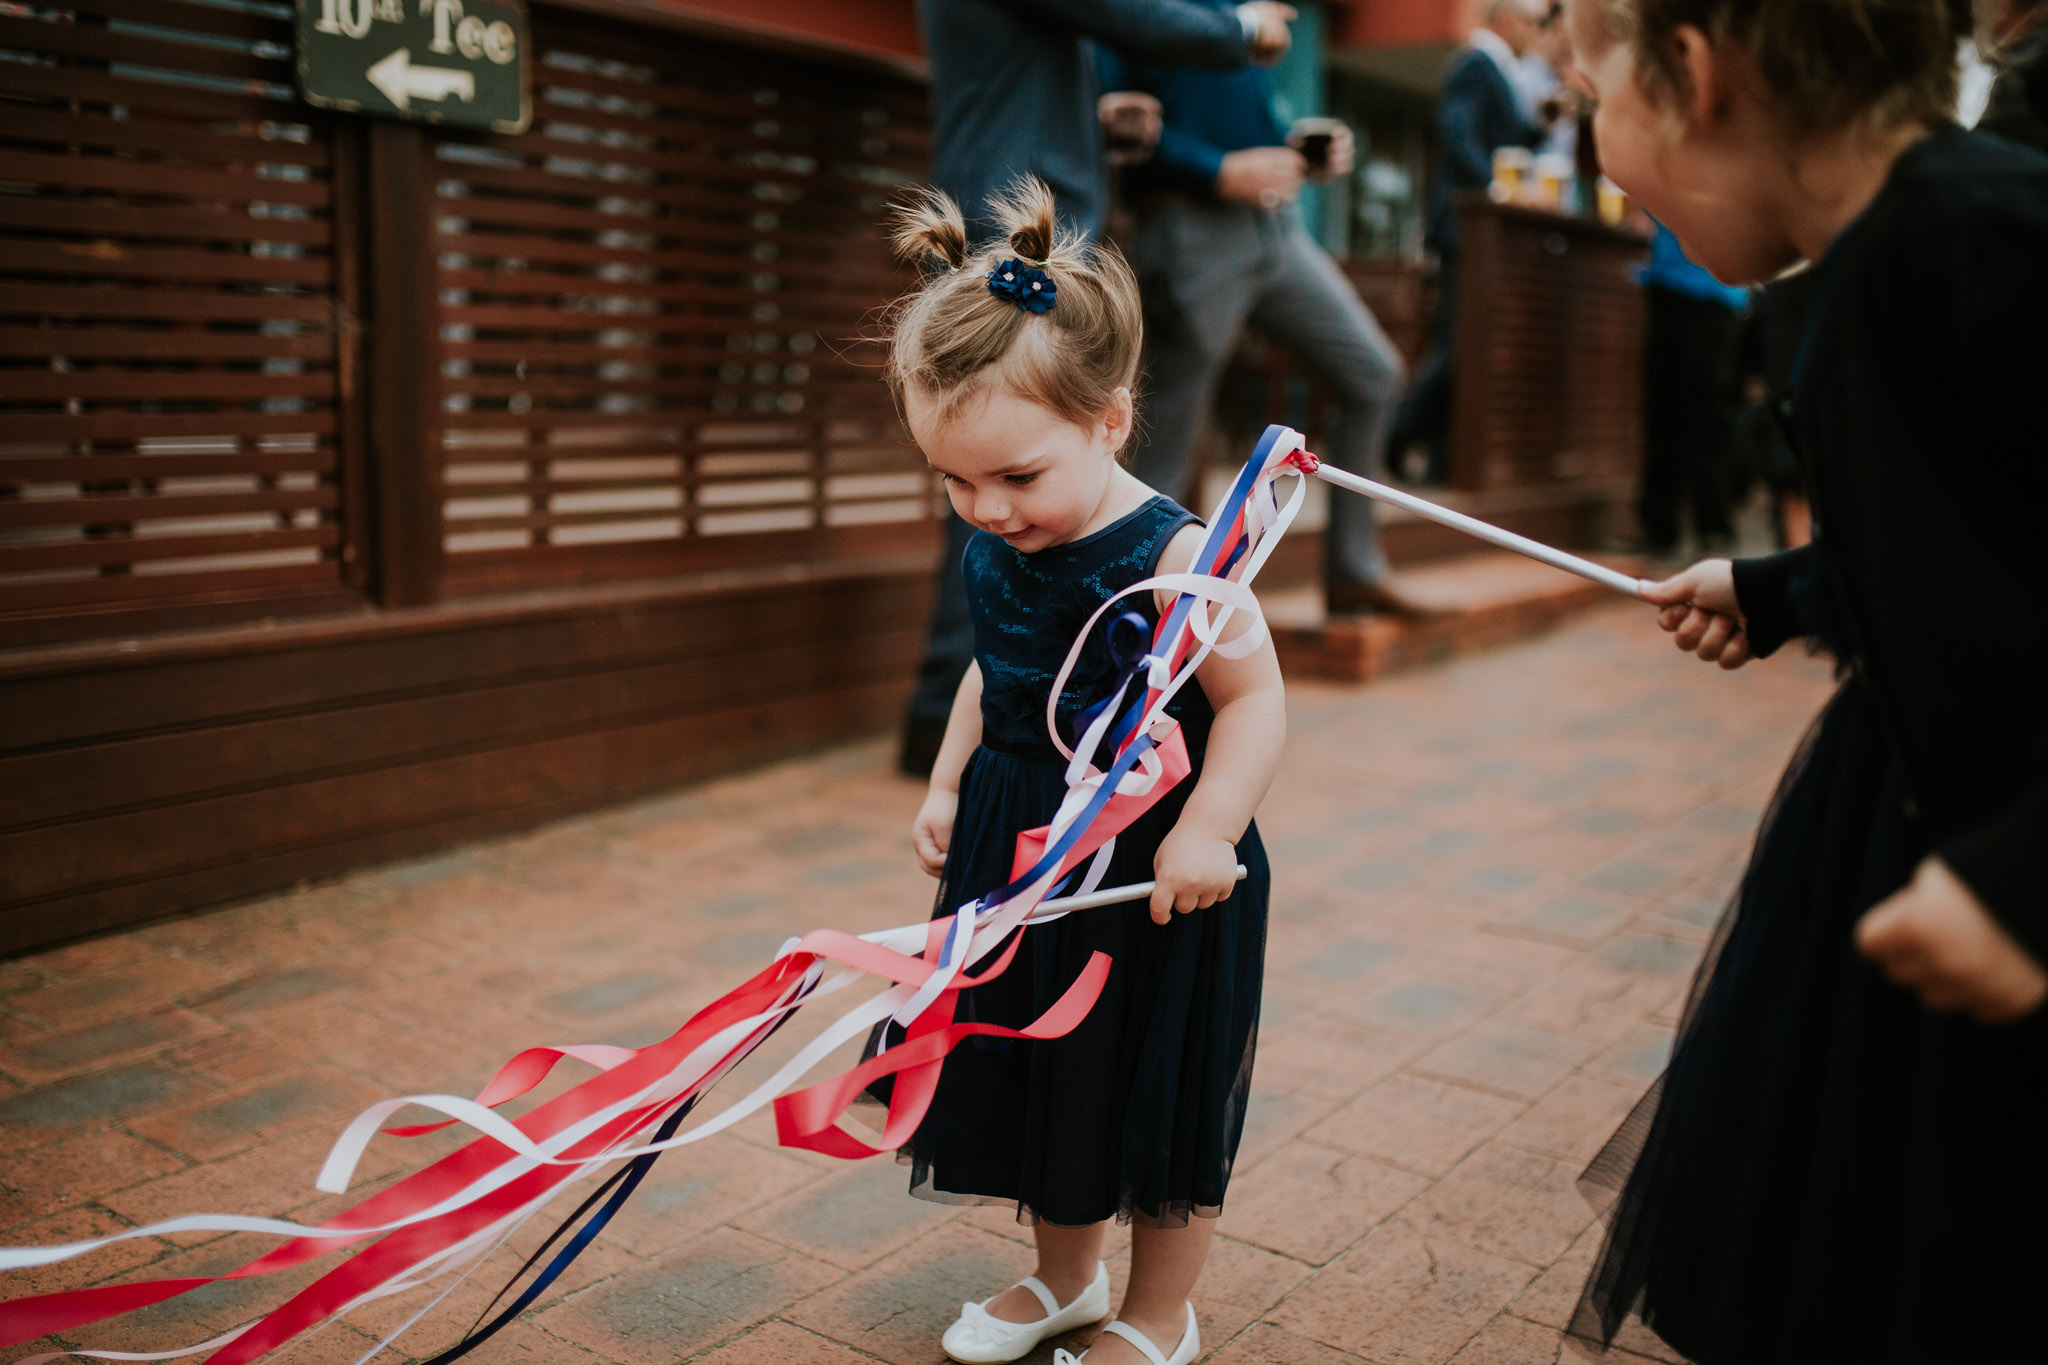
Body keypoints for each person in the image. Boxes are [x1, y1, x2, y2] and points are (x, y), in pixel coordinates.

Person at [1561, 0, 2048, 1359]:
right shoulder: (1854, 267)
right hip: (1906, 815)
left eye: (1590, 87)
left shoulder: (1981, 235)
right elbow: (1974, 529)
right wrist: (1784, 589)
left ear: (1698, 78)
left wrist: (2022, 876)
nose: (1596, 152)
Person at [883, 179, 1283, 1365]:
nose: (984, 509)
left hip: (1156, 858)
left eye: (1015, 478)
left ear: (1107, 423)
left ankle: (1160, 1316)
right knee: (1045, 1070)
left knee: (1152, 1081)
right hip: (1019, 837)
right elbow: (989, 668)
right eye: (953, 483)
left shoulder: (1175, 556)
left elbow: (1254, 699)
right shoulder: (993, 536)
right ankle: (1067, 1279)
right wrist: (950, 785)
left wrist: (1207, 829)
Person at [900, 0, 1298, 778]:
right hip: (1011, 219)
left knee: (1006, 496)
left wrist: (1092, 120)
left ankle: (1022, 711)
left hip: (1006, 190)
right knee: (999, 495)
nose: (981, 499)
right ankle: (972, 725)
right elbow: (1137, 13)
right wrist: (1244, 29)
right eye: (950, 481)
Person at [1099, 41, 1423, 616]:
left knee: (1373, 372)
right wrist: (1216, 169)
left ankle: (1353, 571)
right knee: (1163, 431)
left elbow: (1235, 114)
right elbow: (1109, 118)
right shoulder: (1148, 14)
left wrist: (1291, 151)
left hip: (1278, 229)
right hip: (1189, 227)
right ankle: (1131, 613)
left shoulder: (1242, 21)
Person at [1388, 0, 1555, 483]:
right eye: (1533, 22)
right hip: (1466, 230)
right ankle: (1399, 433)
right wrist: (1502, 192)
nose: (1537, 32)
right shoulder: (1475, 64)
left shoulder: (1497, 71)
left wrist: (1540, 124)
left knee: (1469, 344)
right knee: (1461, 343)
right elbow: (1460, 138)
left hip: (1479, 232)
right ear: (1503, 19)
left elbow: (1505, 142)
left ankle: (1442, 456)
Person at [1634, 221, 1748, 556]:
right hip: (1672, 285)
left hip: (1715, 295)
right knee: (1665, 413)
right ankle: (1663, 527)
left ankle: (1712, 526)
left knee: (1707, 415)